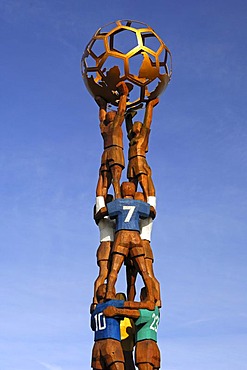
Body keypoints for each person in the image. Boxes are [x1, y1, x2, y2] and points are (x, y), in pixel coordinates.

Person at [95, 182, 156, 302]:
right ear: (133, 192)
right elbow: (152, 210)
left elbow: (103, 210)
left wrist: (100, 214)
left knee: (114, 269)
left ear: (122, 191)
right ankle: (150, 295)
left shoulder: (118, 203)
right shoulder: (139, 204)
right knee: (143, 270)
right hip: (135, 236)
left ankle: (109, 293)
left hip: (121, 235)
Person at [103, 287, 161, 370]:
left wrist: (116, 311)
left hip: (137, 348)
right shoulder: (156, 312)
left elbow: (136, 313)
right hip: (142, 348)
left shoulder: (144, 312)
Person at [126, 192, 161, 307]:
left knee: (147, 274)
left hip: (142, 245)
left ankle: (155, 298)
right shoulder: (140, 212)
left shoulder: (146, 212)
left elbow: (152, 196)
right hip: (134, 245)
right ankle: (131, 300)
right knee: (133, 280)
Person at [96, 81, 129, 199]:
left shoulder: (116, 124)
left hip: (115, 150)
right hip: (107, 152)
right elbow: (101, 119)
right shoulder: (105, 128)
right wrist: (102, 107)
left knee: (116, 178)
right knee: (104, 179)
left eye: (112, 113)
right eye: (108, 113)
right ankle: (101, 202)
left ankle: (118, 197)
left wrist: (123, 95)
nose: (110, 114)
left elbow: (121, 110)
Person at [125, 98, 159, 201]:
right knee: (131, 182)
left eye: (138, 124)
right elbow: (128, 127)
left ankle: (148, 199)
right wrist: (128, 117)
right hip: (131, 162)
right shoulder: (132, 139)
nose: (135, 125)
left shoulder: (143, 137)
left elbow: (147, 121)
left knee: (143, 180)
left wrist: (150, 106)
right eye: (134, 124)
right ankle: (131, 200)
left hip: (140, 160)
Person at [92, 194, 115, 311]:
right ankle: (95, 300)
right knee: (103, 274)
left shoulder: (112, 216)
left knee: (111, 275)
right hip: (105, 245)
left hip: (112, 246)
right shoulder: (102, 216)